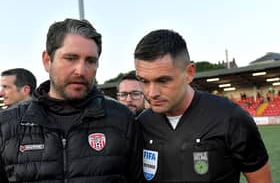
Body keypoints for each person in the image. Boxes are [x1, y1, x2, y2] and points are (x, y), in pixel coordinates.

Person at [0, 18, 142, 183]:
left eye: (90, 61)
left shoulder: (123, 119)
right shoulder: (6, 126)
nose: (81, 70)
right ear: (47, 60)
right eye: (71, 58)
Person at [134, 29, 273, 183]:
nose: (152, 93)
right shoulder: (142, 124)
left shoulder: (230, 118)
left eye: (163, 80)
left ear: (189, 73)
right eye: (144, 81)